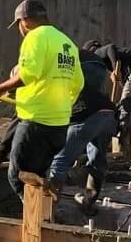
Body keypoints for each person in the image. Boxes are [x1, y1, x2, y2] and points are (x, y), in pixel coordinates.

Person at [0, 0, 82, 202]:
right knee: (37, 176)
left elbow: (28, 74)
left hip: (36, 122)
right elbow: (78, 84)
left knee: (18, 178)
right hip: (59, 125)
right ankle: (47, 210)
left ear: (25, 21)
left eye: (19, 24)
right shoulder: (67, 43)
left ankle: (37, 216)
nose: (20, 29)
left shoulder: (35, 37)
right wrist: (60, 107)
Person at [48, 47, 120, 216]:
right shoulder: (93, 77)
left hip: (88, 115)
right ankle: (89, 201)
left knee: (59, 162)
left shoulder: (63, 65)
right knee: (97, 159)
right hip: (109, 115)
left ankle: (48, 213)